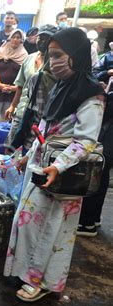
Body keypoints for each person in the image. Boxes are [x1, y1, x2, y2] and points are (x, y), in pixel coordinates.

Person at [4, 27, 104, 302]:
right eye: (50, 55)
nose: (53, 61)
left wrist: (58, 167)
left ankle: (41, 281)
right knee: (29, 223)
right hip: (42, 166)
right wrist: (29, 155)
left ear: (77, 55)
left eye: (59, 55)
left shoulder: (92, 94)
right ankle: (26, 272)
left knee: (51, 229)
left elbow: (86, 142)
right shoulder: (61, 86)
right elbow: (46, 129)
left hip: (63, 175)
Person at [78, 41, 113, 236]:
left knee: (98, 170)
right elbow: (97, 73)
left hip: (108, 134)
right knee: (102, 172)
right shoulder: (106, 61)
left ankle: (88, 221)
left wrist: (102, 100)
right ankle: (93, 218)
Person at [5, 24, 58, 149]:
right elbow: (20, 85)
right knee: (11, 145)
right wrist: (13, 106)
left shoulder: (56, 63)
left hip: (41, 115)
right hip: (22, 109)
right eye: (40, 38)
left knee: (31, 149)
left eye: (47, 38)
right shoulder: (29, 58)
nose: (42, 41)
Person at [0, 29, 28, 134]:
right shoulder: (1, 52)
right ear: (9, 39)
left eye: (18, 38)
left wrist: (15, 88)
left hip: (13, 94)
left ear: (22, 41)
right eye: (13, 37)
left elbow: (26, 77)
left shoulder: (24, 56)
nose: (15, 40)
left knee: (6, 118)